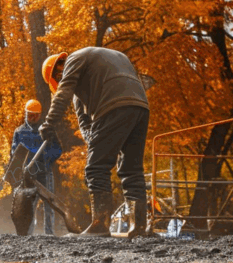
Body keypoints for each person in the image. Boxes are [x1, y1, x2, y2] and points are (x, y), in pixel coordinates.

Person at [37, 48, 150, 238]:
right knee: (132, 169)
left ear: (60, 66)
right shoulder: (103, 60)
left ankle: (100, 226)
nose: (61, 79)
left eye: (59, 76)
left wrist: (49, 124)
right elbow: (85, 124)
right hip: (140, 106)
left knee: (96, 169)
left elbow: (63, 93)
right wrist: (96, 145)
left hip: (113, 105)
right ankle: (138, 228)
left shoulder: (74, 59)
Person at [10, 99, 63, 235]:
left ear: (40, 115)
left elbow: (57, 150)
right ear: (26, 114)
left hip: (45, 172)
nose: (33, 118)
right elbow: (14, 153)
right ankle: (27, 235)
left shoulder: (46, 131)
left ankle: (49, 234)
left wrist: (47, 157)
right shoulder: (20, 132)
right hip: (28, 174)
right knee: (29, 206)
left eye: (36, 115)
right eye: (30, 115)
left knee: (49, 204)